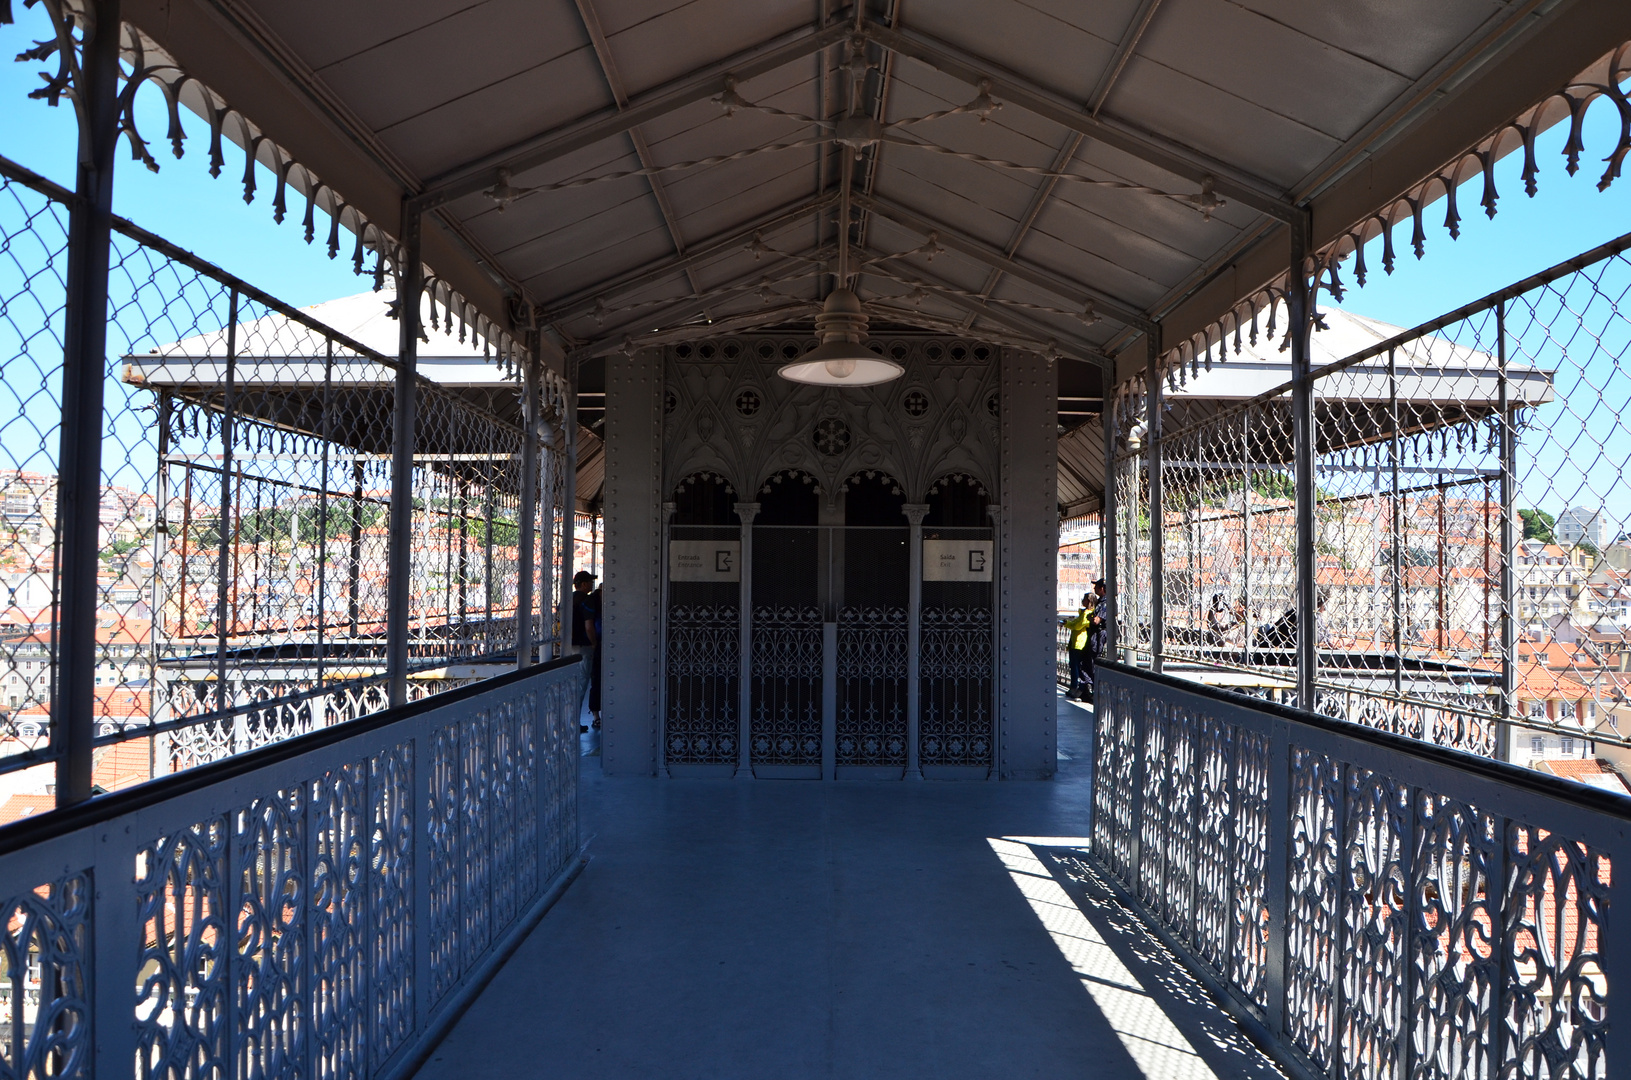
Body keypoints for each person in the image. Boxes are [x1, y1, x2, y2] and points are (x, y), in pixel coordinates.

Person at [569, 571, 598, 731]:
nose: (592, 585)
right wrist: (594, 643)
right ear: (584, 584)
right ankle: (574, 723)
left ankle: (566, 720)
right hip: (583, 647)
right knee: (580, 685)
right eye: (590, 582)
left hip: (568, 648)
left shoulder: (567, 599)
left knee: (569, 685)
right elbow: (589, 626)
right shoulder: (587, 600)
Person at [1084, 578, 1112, 699]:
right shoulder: (1101, 602)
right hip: (1096, 634)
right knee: (1089, 660)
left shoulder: (1105, 603)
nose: (1094, 588)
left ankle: (1095, 689)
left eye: (1096, 586)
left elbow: (1096, 620)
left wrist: (1090, 618)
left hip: (1099, 635)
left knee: (1095, 660)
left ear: (1102, 588)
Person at [1061, 595, 1094, 700]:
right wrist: (1069, 624)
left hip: (1079, 644)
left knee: (1076, 667)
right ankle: (1076, 687)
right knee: (1074, 666)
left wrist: (1068, 624)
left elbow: (1077, 626)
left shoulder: (1086, 614)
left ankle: (1076, 688)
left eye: (1084, 599)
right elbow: (1075, 624)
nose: (1082, 600)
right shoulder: (1083, 613)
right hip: (1076, 643)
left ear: (1088, 601)